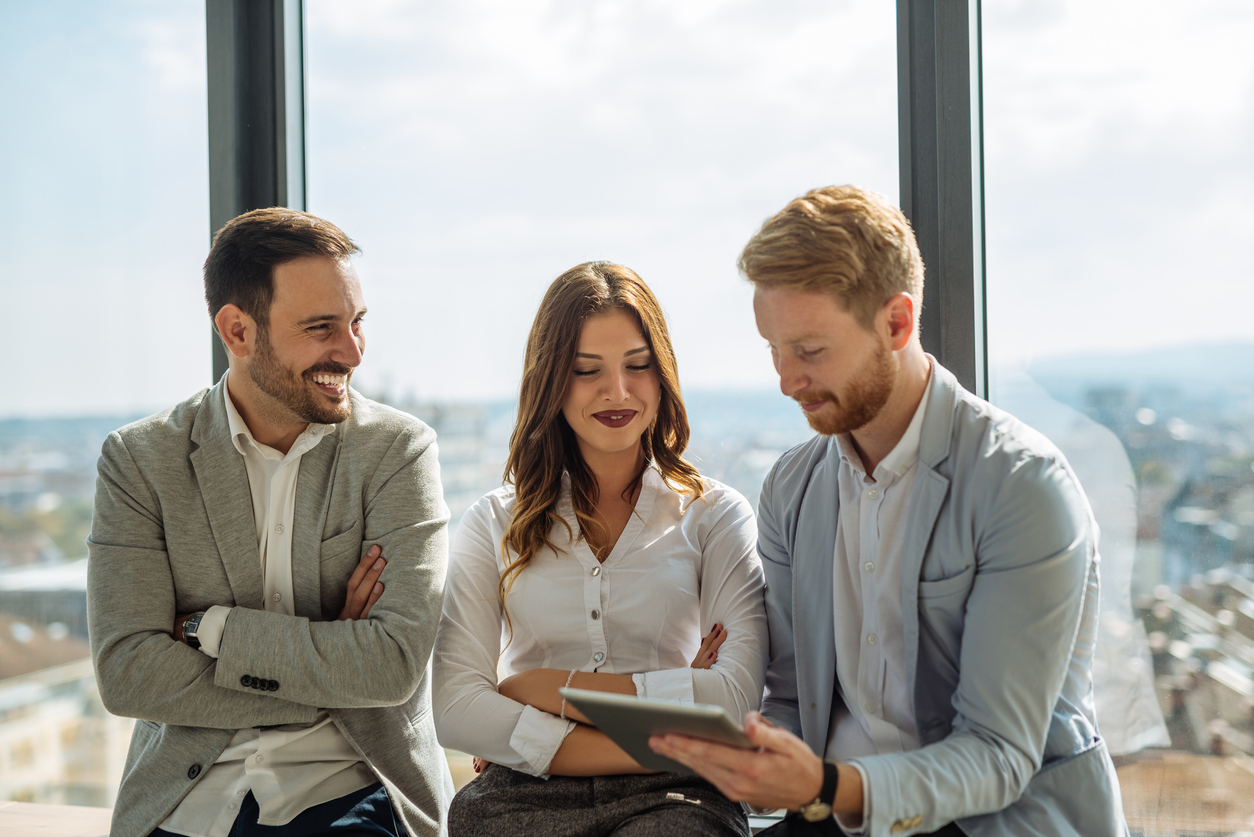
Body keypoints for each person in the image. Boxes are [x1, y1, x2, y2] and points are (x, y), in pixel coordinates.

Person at [649, 186, 1128, 836]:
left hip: (991, 819)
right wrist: (725, 743)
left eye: (810, 351)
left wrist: (825, 785)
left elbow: (997, 754)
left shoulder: (1022, 486)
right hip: (830, 813)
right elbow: (791, 701)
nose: (787, 380)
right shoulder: (793, 487)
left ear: (897, 323)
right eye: (773, 349)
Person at [87, 208, 453, 837]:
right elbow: (128, 673)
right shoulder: (140, 461)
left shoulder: (398, 451)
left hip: (351, 786)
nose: (353, 351)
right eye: (321, 328)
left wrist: (213, 630)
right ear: (237, 331)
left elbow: (392, 664)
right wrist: (332, 655)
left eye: (357, 323)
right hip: (189, 794)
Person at [432, 262, 768, 836]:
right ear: (551, 382)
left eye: (638, 366)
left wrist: (544, 691)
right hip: (526, 791)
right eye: (587, 371)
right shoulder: (493, 521)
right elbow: (458, 710)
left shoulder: (716, 515)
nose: (618, 391)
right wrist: (671, 736)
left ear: (662, 375)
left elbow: (734, 701)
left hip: (676, 799)